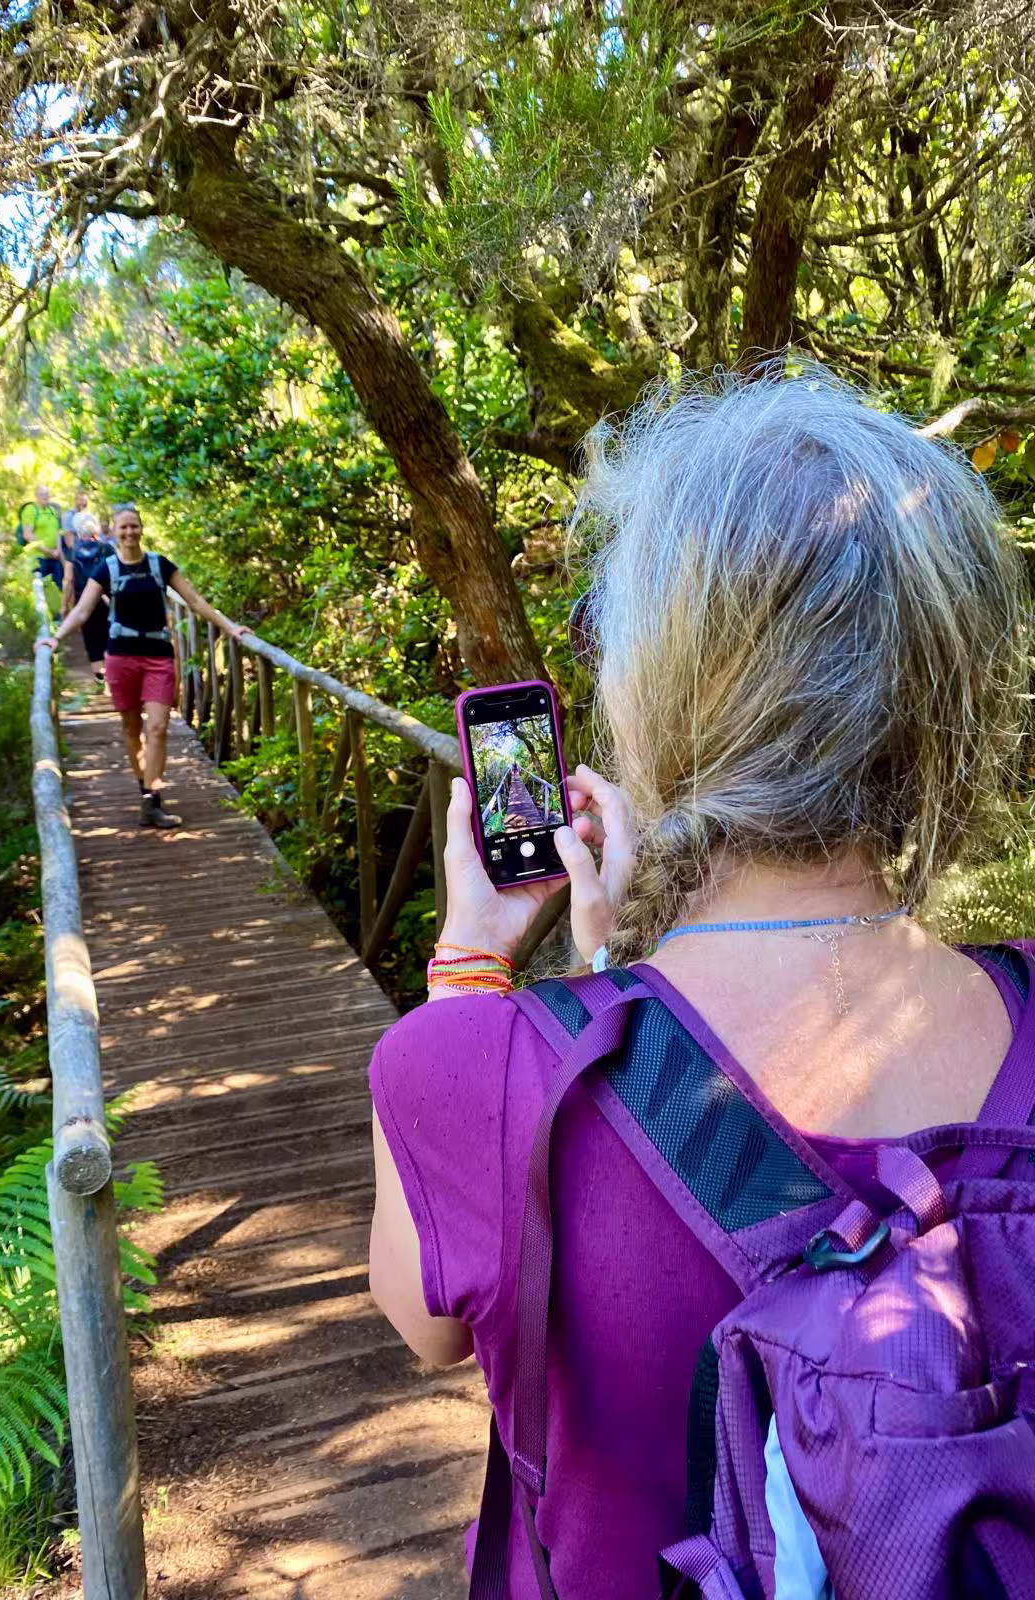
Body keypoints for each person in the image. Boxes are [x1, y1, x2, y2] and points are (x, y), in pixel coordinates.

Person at [367, 371, 1030, 1595]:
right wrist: (600, 974)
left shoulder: (472, 1067)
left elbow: (427, 1324)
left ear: (661, 685)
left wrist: (485, 968)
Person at [36, 503, 249, 828]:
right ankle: (145, 792)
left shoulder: (160, 565)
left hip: (158, 656)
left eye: (134, 526)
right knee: (132, 728)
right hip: (121, 658)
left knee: (158, 727)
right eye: (123, 527)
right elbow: (82, 611)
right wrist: (56, 637)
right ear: (115, 532)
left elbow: (194, 601)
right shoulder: (106, 569)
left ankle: (153, 799)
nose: (129, 532)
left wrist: (231, 628)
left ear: (141, 528)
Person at [61, 511, 114, 688]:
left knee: (93, 642)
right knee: (110, 639)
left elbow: (68, 580)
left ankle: (101, 680)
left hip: (84, 604)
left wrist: (65, 607)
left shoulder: (72, 552)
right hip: (108, 601)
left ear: (77, 531)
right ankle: (113, 679)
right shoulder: (107, 548)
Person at [18, 485, 63, 585]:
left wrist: (58, 551)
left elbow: (57, 533)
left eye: (47, 494)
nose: (45, 496)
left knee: (60, 589)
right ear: (36, 496)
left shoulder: (52, 510)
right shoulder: (31, 510)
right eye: (42, 494)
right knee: (40, 590)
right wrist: (47, 550)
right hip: (38, 558)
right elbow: (27, 534)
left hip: (54, 558)